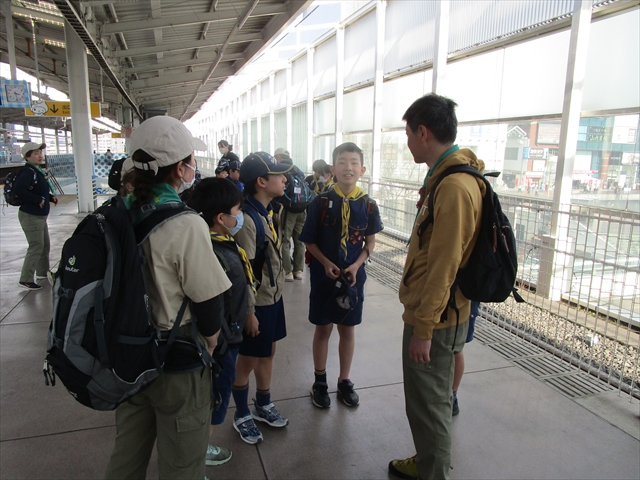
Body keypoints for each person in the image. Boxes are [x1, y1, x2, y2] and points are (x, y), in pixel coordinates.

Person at [105, 116, 231, 480]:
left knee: (126, 456)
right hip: (175, 360)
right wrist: (210, 344)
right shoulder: (185, 222)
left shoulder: (119, 211)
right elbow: (207, 300)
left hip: (127, 357)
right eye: (191, 160)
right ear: (181, 168)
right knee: (182, 465)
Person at [388, 94, 485, 480]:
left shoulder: (455, 188)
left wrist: (424, 329)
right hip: (434, 312)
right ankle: (427, 461)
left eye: (408, 134)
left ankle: (433, 472)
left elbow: (445, 266)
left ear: (423, 132)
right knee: (427, 403)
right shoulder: (444, 180)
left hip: (437, 318)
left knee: (430, 406)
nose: (407, 141)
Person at [299, 142, 383, 408]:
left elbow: (369, 243)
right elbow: (309, 240)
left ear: (363, 169)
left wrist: (357, 265)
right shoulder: (320, 202)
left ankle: (344, 380)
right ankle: (320, 379)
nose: (349, 167)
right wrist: (324, 263)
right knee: (323, 328)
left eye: (354, 162)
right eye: (343, 162)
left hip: (353, 278)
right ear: (333, 169)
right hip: (324, 276)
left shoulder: (368, 205)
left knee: (348, 329)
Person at [186, 178, 255, 467]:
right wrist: (221, 341)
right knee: (214, 400)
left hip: (228, 336)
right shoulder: (215, 252)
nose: (240, 216)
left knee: (213, 397)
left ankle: (197, 452)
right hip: (221, 344)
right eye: (237, 210)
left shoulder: (221, 243)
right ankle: (197, 458)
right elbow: (213, 302)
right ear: (220, 218)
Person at [231, 151, 292, 444]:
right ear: (261, 181)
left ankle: (263, 403)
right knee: (247, 358)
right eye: (279, 175)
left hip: (273, 297)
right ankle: (241, 413)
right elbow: (244, 273)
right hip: (258, 303)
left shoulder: (270, 212)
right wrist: (249, 312)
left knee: (268, 351)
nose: (284, 179)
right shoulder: (247, 220)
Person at [15, 142, 58, 290]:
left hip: (39, 216)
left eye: (40, 152)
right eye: (35, 153)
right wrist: (37, 200)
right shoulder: (28, 172)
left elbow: (39, 190)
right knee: (36, 246)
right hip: (30, 216)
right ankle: (26, 278)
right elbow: (19, 190)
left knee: (44, 246)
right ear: (27, 157)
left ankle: (42, 273)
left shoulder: (37, 171)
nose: (40, 155)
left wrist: (50, 197)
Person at [274, 147, 306, 281]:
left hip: (288, 209)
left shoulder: (280, 168)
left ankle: (288, 272)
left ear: (279, 157)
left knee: (285, 240)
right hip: (302, 208)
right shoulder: (297, 168)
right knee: (300, 241)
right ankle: (298, 270)